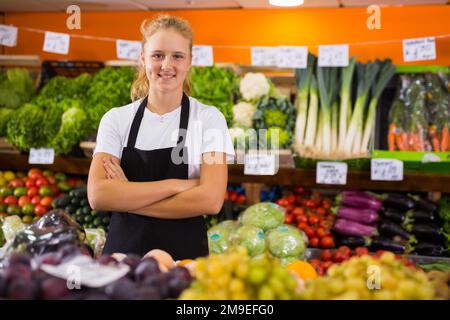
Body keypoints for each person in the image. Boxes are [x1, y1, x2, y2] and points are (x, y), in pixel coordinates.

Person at [87, 14, 234, 260]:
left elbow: (210, 200)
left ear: (189, 61)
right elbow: (98, 195)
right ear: (143, 58)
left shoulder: (209, 119)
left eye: (177, 56)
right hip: (123, 259)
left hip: (184, 263)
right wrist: (179, 186)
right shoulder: (116, 119)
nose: (166, 65)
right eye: (157, 55)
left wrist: (126, 194)